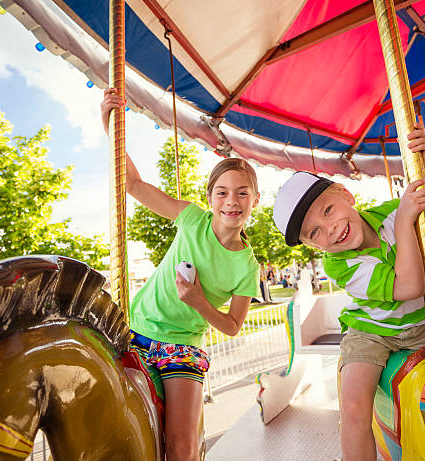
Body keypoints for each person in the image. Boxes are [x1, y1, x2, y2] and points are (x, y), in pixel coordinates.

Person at [272, 122, 425, 461]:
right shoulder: (338, 265)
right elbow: (411, 287)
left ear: (346, 194)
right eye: (315, 233)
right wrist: (404, 222)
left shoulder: (388, 212)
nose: (331, 229)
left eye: (328, 210)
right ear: (312, 245)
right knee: (354, 408)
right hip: (373, 332)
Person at [101, 88, 260, 461]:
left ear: (255, 199)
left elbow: (234, 325)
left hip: (181, 350)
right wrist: (110, 125)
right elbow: (135, 186)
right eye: (222, 193)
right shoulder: (191, 219)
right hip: (134, 329)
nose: (231, 202)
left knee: (182, 446)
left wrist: (198, 301)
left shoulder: (246, 265)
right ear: (210, 200)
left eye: (241, 193)